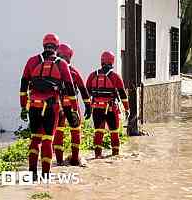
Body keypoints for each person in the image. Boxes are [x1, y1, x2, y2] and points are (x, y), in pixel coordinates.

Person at [20, 33, 79, 178]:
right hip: (52, 106)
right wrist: (74, 109)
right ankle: (45, 176)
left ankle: (32, 173)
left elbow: (23, 86)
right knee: (47, 139)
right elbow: (70, 89)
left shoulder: (32, 61)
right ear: (57, 47)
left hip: (33, 105)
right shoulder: (62, 63)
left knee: (35, 139)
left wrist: (23, 106)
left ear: (43, 45)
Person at [53, 43, 92, 166]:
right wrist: (88, 106)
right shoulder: (74, 72)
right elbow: (83, 90)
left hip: (57, 106)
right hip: (71, 105)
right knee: (75, 132)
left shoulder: (51, 70)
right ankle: (75, 159)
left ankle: (59, 161)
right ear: (70, 56)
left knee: (58, 133)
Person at [86, 51, 129, 158]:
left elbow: (86, 93)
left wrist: (88, 108)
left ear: (101, 61)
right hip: (111, 109)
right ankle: (115, 155)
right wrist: (127, 109)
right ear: (112, 61)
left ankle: (97, 156)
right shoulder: (115, 77)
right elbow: (123, 95)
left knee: (98, 132)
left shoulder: (92, 75)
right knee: (114, 133)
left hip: (96, 108)